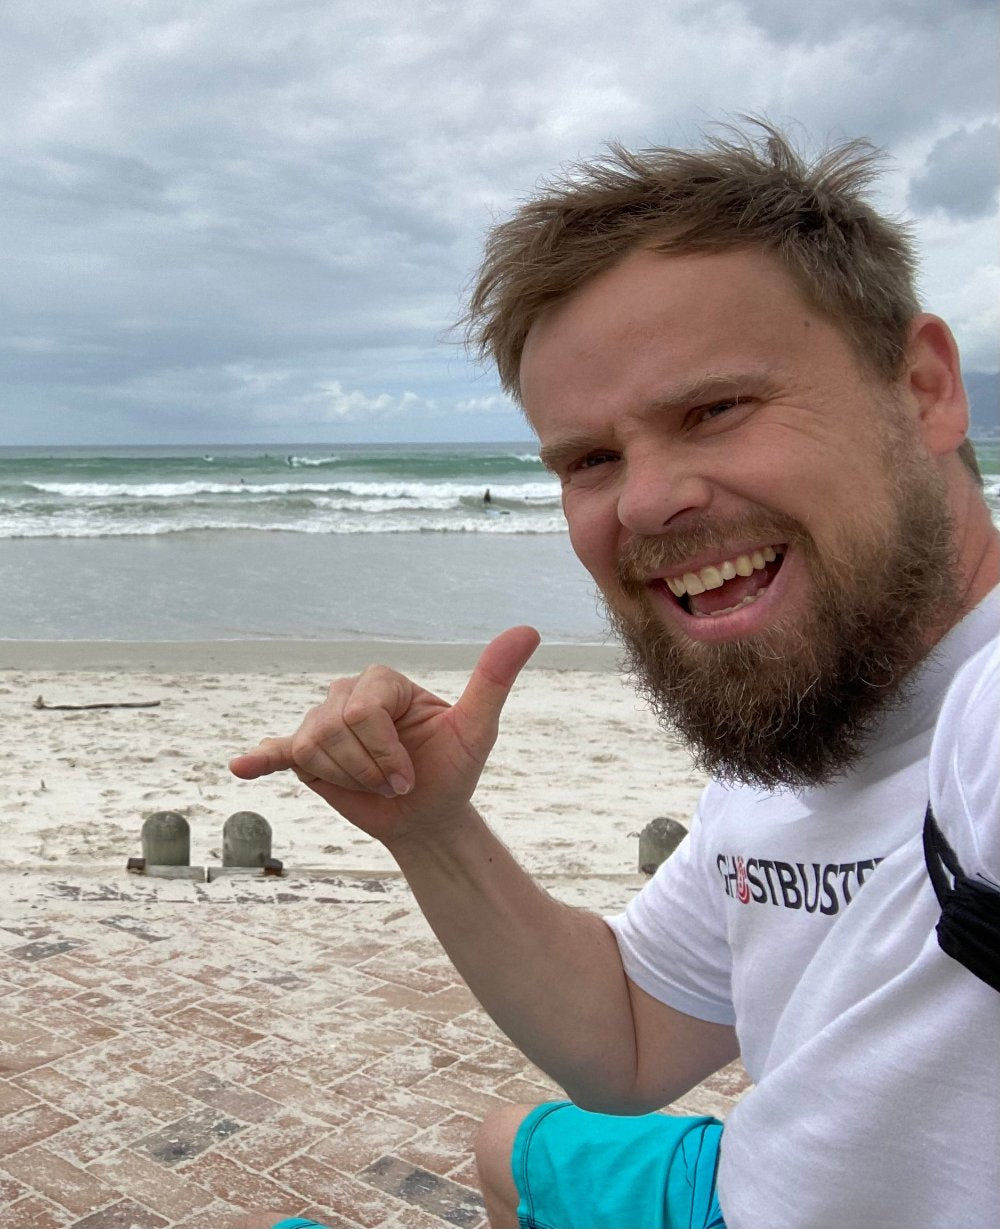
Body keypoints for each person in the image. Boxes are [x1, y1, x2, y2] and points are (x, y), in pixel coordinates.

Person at [230, 123, 999, 1229]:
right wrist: (432, 831)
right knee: (511, 1144)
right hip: (754, 1175)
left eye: (715, 408)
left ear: (923, 388)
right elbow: (629, 1039)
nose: (643, 502)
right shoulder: (805, 721)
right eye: (590, 459)